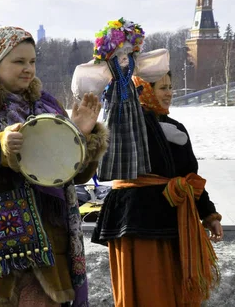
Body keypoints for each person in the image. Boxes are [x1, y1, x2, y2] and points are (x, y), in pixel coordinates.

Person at [0, 26, 109, 306]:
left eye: (32, 61)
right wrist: (1, 148)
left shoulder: (47, 106)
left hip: (46, 245)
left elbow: (73, 176)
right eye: (18, 61)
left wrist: (82, 136)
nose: (28, 69)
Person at [91, 72, 223, 306]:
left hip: (172, 219)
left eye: (170, 87)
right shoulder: (124, 127)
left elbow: (190, 178)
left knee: (172, 290)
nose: (170, 93)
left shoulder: (175, 127)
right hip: (135, 221)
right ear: (143, 91)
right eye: (162, 88)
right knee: (148, 290)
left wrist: (209, 215)